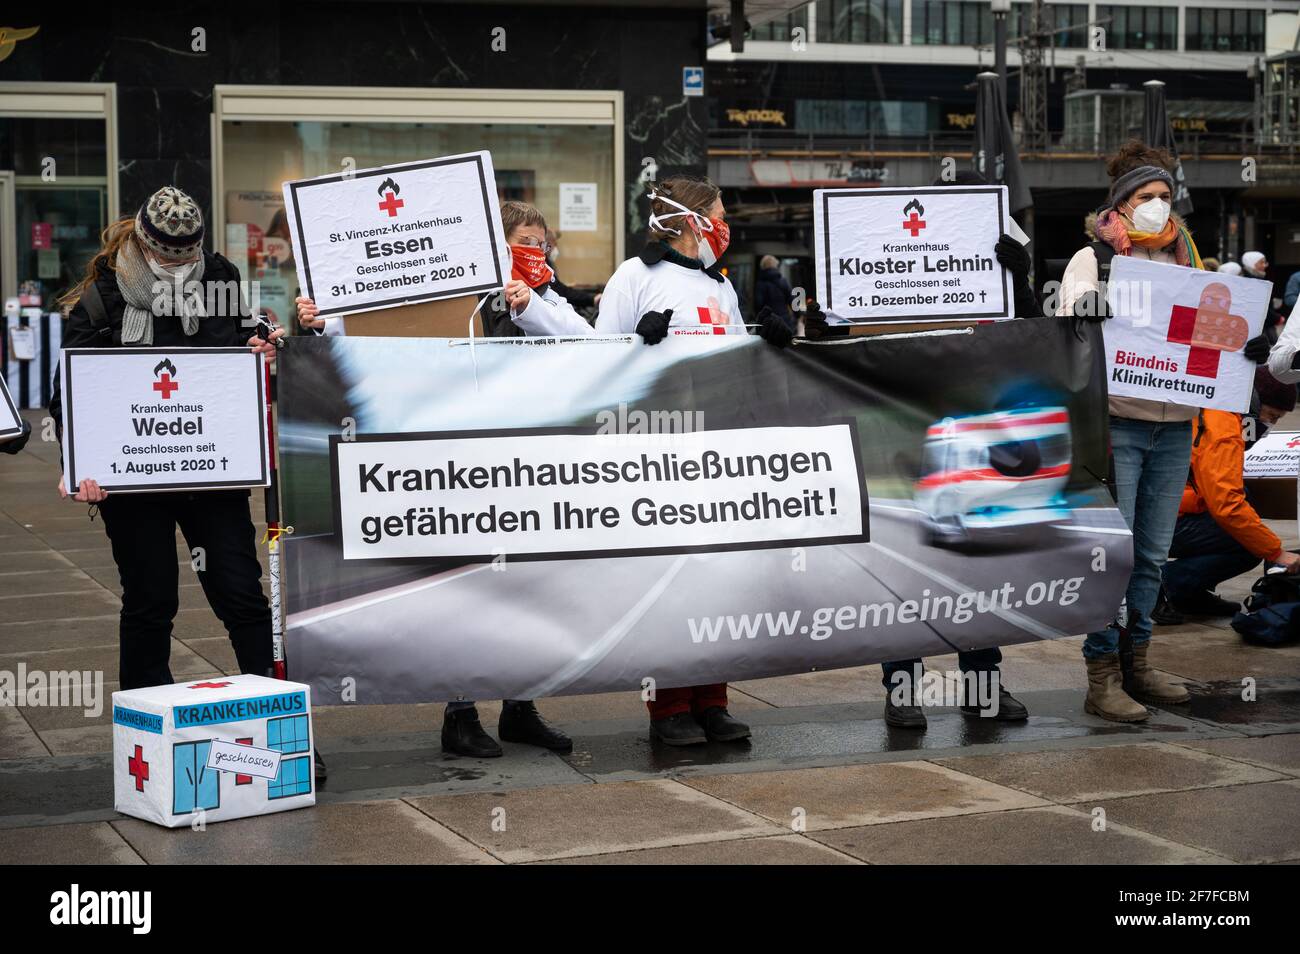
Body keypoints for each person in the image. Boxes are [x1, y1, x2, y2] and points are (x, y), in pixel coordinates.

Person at [295, 202, 576, 759]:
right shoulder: (446, 290)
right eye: (525, 239)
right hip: (456, 464)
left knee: (525, 587)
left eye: (542, 243)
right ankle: (461, 713)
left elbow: (583, 337)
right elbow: (385, 326)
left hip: (520, 463)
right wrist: (324, 321)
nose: (536, 252)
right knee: (465, 586)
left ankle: (522, 706)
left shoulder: (544, 293)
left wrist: (533, 301)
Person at [1060, 141, 1272, 723]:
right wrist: (1089, 313)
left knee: (1152, 556)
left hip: (1177, 427)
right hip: (1117, 427)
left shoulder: (1189, 265)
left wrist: (1249, 349)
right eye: (1146, 197)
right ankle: (1101, 674)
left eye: (1164, 196)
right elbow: (1068, 338)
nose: (1159, 205)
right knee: (1116, 556)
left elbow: (1211, 342)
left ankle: (1139, 662)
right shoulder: (1093, 259)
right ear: (1121, 205)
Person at [48, 186, 286, 692]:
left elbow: (244, 346)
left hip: (211, 470)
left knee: (241, 592)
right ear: (143, 243)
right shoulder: (104, 295)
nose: (180, 269)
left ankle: (276, 711)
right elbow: (69, 393)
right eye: (166, 257)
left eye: (189, 258)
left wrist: (263, 354)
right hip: (134, 481)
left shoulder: (220, 276)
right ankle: (147, 729)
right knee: (151, 599)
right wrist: (79, 463)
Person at [596, 174, 793, 745]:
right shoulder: (635, 277)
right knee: (670, 580)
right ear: (691, 219)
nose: (727, 225)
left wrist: (769, 342)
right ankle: (668, 709)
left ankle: (712, 699)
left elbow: (733, 359)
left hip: (716, 450)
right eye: (720, 212)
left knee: (716, 579)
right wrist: (637, 342)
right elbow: (593, 360)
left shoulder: (721, 286)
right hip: (658, 452)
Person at [880, 169, 1037, 731]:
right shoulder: (891, 239)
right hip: (912, 426)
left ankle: (981, 684)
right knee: (910, 562)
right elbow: (865, 328)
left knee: (979, 566)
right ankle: (902, 688)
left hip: (984, 428)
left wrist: (1018, 284)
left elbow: (1024, 337)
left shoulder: (1009, 243)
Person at [1154, 367, 1300, 625]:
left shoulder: (1214, 407)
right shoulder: (1222, 424)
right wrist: (1277, 553)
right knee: (1247, 542)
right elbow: (1227, 504)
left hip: (1161, 511)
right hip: (1162, 520)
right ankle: (1165, 585)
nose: (1269, 426)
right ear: (1252, 403)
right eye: (1271, 416)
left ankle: (1183, 590)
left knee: (1247, 502)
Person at [754, 255, 793, 322]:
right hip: (784, 320)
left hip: (768, 321)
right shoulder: (783, 281)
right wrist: (799, 315)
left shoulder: (760, 284)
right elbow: (791, 300)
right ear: (775, 266)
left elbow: (758, 304)